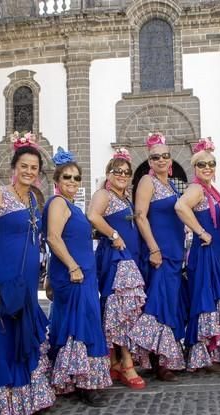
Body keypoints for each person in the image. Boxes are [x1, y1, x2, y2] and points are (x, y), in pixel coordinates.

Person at [0, 134, 55, 415]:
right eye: (24, 166)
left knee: (26, 329)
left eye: (34, 167)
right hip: (3, 269)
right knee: (4, 328)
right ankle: (4, 399)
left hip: (27, 274)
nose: (29, 171)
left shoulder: (34, 200)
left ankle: (29, 395)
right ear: (15, 166)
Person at [42, 147, 112, 407]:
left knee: (74, 324)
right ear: (57, 181)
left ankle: (71, 379)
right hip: (75, 275)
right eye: (66, 177)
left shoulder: (71, 205)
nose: (72, 182)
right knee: (81, 325)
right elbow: (53, 237)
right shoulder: (59, 203)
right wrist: (72, 266)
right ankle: (85, 383)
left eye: (75, 178)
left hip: (80, 274)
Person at [175, 137, 220, 372]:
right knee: (206, 299)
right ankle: (206, 356)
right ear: (194, 168)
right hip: (205, 253)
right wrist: (200, 231)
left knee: (213, 298)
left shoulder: (211, 189)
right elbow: (181, 207)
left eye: (211, 164)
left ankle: (213, 353)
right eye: (202, 164)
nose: (207, 168)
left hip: (217, 253)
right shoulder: (195, 188)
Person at [87, 148, 147, 390]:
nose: (122, 175)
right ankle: (127, 363)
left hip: (129, 256)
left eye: (126, 171)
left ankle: (114, 361)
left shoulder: (125, 198)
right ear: (108, 174)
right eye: (117, 171)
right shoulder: (105, 194)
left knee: (119, 309)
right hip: (115, 258)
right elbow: (93, 216)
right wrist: (113, 234)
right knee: (121, 309)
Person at [130, 132, 187, 381]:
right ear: (150, 161)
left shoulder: (172, 184)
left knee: (171, 302)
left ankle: (167, 354)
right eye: (156, 157)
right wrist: (153, 248)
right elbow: (140, 216)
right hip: (159, 253)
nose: (161, 160)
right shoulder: (147, 182)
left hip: (175, 252)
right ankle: (159, 359)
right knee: (159, 302)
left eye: (165, 155)